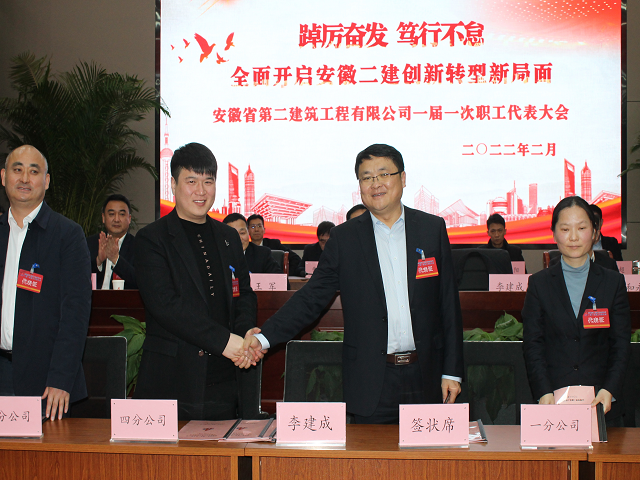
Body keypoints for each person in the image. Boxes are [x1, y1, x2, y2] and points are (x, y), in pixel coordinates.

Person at [246, 144, 464, 424]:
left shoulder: (431, 229)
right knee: (369, 454)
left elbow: (448, 305)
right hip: (372, 381)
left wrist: (452, 371)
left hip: (427, 377)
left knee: (428, 454)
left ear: (403, 178)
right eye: (366, 177)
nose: (376, 184)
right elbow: (311, 297)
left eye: (383, 174)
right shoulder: (344, 238)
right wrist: (264, 337)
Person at [134, 143, 258, 420]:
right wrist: (225, 341)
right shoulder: (152, 239)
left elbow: (244, 294)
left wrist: (246, 332)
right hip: (174, 379)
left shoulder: (228, 237)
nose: (201, 191)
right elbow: (166, 306)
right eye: (191, 181)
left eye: (208, 181)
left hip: (226, 378)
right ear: (173, 184)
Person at [0, 145, 92, 420]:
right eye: (17, 170)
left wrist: (61, 378)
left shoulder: (67, 235)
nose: (24, 178)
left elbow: (76, 313)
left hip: (47, 384)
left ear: (47, 180)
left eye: (34, 171)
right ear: (3, 176)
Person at [522, 196, 630, 426]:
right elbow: (533, 344)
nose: (573, 237)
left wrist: (609, 389)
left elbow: (620, 344)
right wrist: (543, 391)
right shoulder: (539, 284)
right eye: (565, 229)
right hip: (552, 402)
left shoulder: (613, 283)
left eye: (581, 228)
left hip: (602, 403)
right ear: (554, 233)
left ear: (594, 232)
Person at [86, 194, 137, 289]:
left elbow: (140, 281)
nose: (116, 219)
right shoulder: (90, 243)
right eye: (111, 214)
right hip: (94, 298)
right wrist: (98, 262)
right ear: (103, 218)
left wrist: (116, 259)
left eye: (121, 214)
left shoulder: (138, 246)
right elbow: (78, 277)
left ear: (129, 219)